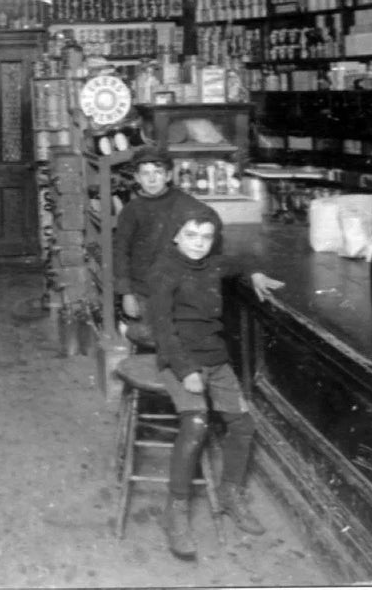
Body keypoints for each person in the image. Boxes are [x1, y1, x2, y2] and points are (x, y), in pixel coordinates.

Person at [148, 205, 284, 560]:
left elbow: (239, 258)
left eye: (206, 237)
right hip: (179, 359)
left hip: (215, 358)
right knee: (196, 423)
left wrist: (253, 272)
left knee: (243, 424)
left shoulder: (212, 263)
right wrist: (186, 370)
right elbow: (162, 329)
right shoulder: (164, 270)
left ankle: (230, 493)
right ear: (176, 235)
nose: (198, 244)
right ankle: (175, 511)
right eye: (191, 235)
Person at [113, 144, 204, 345]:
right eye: (145, 174)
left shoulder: (184, 202)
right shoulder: (131, 210)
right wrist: (126, 293)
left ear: (169, 175)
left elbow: (209, 218)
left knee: (177, 338)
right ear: (136, 178)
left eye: (158, 172)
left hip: (177, 286)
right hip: (142, 288)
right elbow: (121, 252)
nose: (152, 179)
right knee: (150, 338)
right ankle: (128, 330)